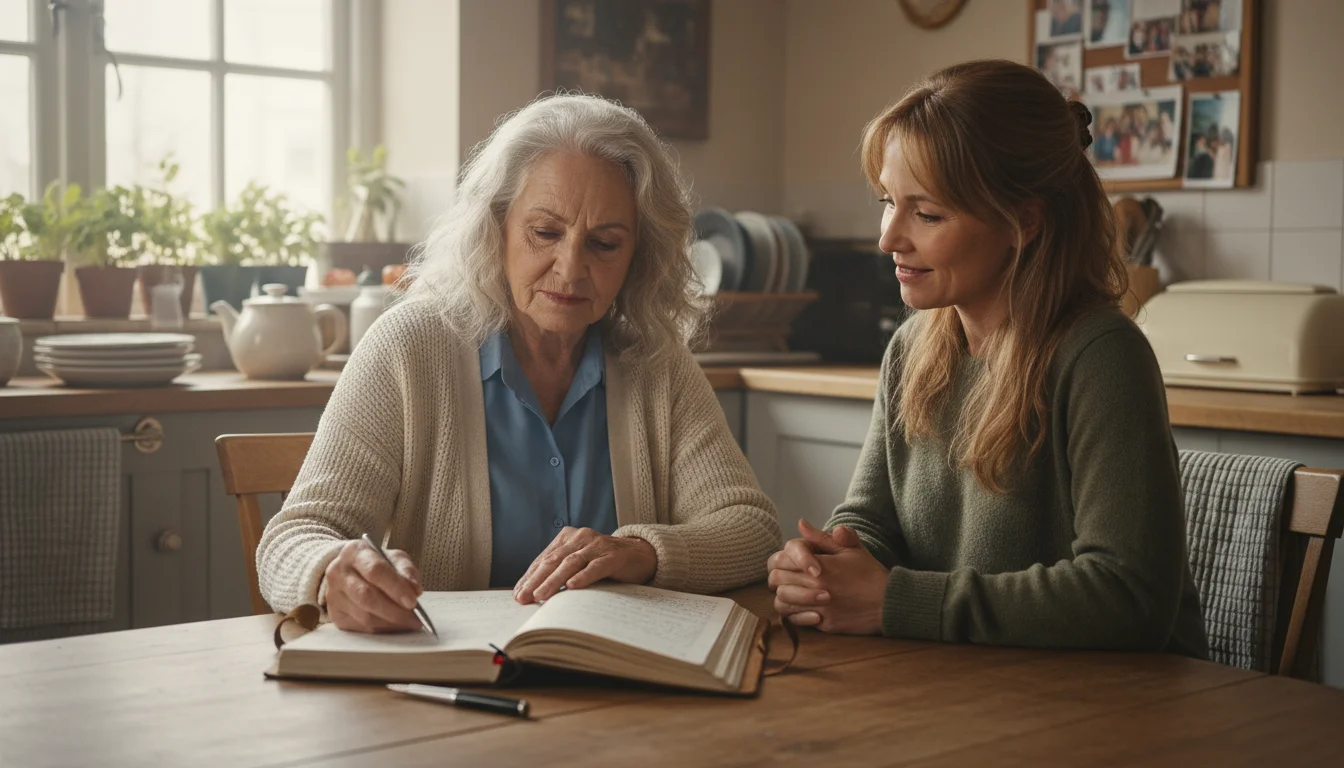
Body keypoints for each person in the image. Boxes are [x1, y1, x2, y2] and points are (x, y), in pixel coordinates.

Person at [257, 93, 780, 632]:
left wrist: (641, 552)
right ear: (497, 226)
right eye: (546, 233)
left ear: (638, 255)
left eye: (604, 243)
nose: (571, 269)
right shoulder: (409, 347)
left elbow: (750, 529)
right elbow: (293, 538)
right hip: (446, 684)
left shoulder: (656, 362)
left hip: (617, 683)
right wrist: (331, 574)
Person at [765, 60, 1207, 656]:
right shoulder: (912, 348)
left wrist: (894, 600)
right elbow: (875, 524)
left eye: (927, 214)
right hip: (971, 687)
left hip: (1118, 714)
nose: (888, 238)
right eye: (887, 202)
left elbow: (1127, 597)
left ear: (1022, 222)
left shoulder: (1102, 357)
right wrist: (828, 566)